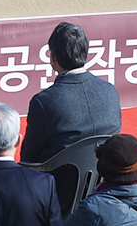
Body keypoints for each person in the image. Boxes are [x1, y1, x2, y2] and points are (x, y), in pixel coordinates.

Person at [22, 21, 122, 178]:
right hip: (103, 183)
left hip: (56, 188)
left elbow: (29, 159)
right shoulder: (110, 91)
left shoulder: (44, 102)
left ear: (52, 58)